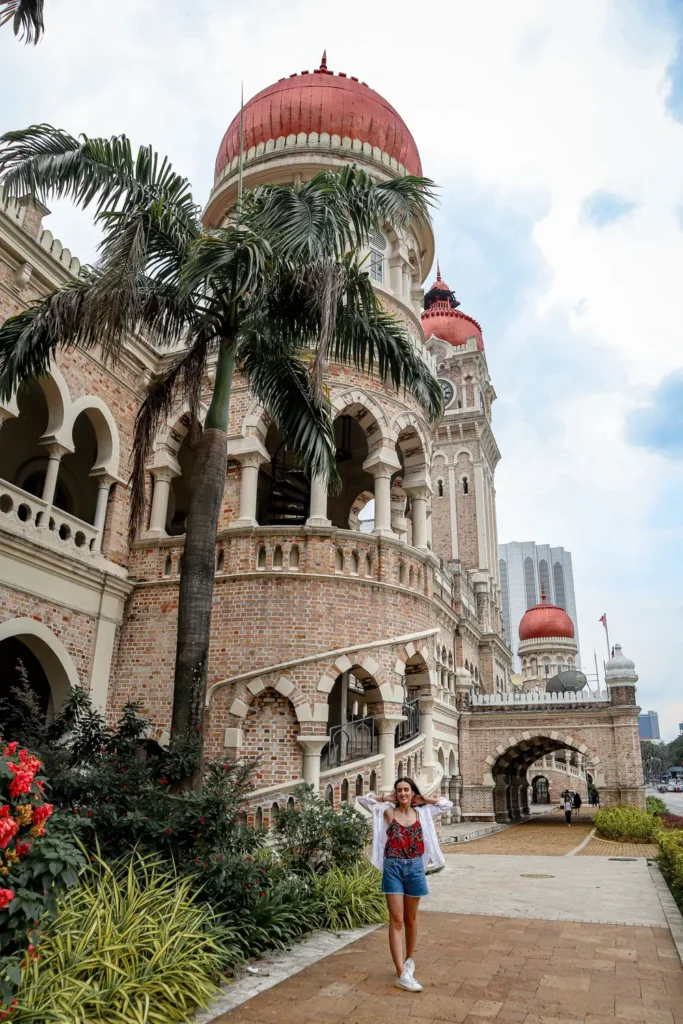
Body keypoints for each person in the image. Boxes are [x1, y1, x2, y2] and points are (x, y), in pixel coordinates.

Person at [358, 778, 453, 992]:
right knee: (397, 920)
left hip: (415, 868)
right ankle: (401, 973)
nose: (402, 793)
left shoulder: (424, 812)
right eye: (399, 790)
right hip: (392, 867)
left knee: (411, 919)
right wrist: (385, 797)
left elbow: (447, 805)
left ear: (412, 793)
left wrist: (424, 799)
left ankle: (409, 961)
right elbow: (364, 801)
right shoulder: (388, 812)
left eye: (406, 790)